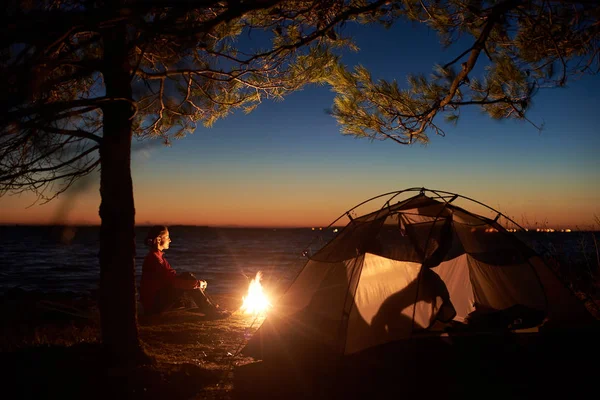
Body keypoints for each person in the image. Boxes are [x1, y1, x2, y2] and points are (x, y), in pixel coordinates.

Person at [140, 225, 230, 318]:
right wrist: (198, 284)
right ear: (159, 239)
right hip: (154, 306)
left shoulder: (158, 257)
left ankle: (211, 308)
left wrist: (194, 284)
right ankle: (210, 310)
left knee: (187, 278)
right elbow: (174, 282)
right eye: (167, 237)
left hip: (157, 301)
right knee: (187, 278)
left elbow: (171, 278)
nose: (170, 240)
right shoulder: (154, 259)